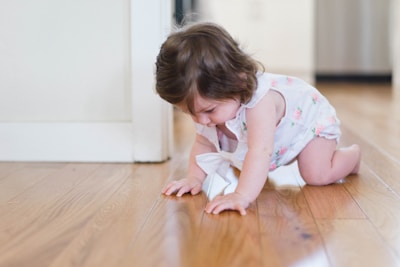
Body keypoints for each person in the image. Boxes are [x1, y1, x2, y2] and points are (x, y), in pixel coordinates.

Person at [155, 22, 361, 215]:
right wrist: (194, 178)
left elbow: (260, 150)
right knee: (239, 160)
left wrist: (242, 195)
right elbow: (203, 144)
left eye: (209, 110)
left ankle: (352, 157)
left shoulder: (260, 104)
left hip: (308, 123)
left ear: (238, 82)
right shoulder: (208, 109)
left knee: (316, 175)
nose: (200, 120)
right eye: (189, 112)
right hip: (281, 134)